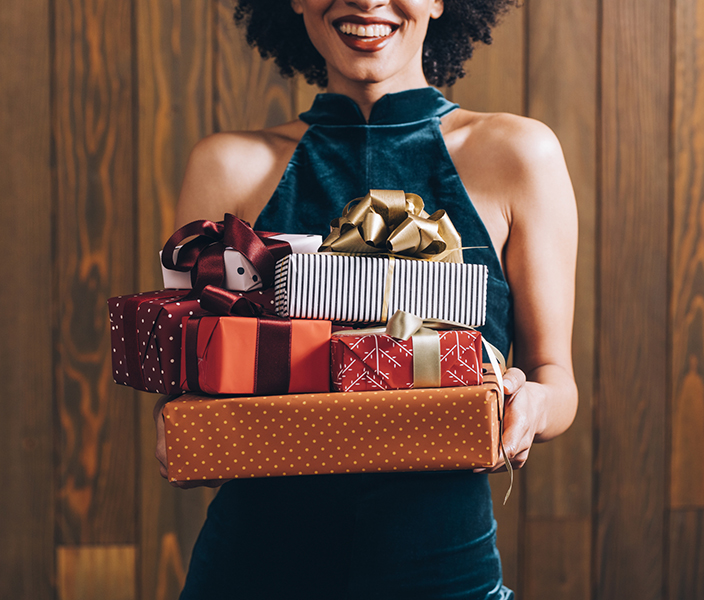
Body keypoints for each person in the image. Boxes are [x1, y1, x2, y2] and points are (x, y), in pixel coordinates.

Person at [154, 0, 579, 597]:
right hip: (250, 572)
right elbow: (190, 394)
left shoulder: (519, 155)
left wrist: (529, 406)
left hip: (447, 570)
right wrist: (183, 431)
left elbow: (555, 378)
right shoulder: (228, 166)